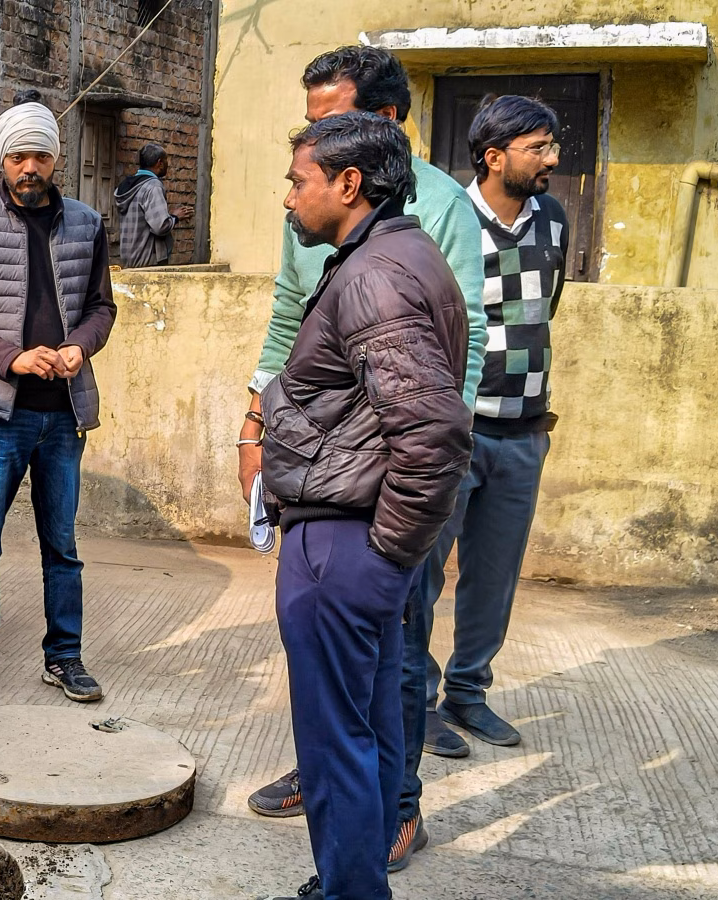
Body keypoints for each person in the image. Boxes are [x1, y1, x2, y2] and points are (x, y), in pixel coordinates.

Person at [241, 45, 487, 872]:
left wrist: (383, 554)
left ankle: (349, 887)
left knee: (336, 745)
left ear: (349, 185)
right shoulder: (388, 254)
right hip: (350, 534)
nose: (289, 195)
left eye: (299, 179)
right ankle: (358, 880)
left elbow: (433, 433)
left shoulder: (376, 276)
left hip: (346, 540)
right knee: (371, 728)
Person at [0, 91, 118, 710]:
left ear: (56, 159)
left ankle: (64, 657)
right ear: (2, 161)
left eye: (40, 155)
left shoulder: (88, 224)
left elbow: (101, 308)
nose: (29, 168)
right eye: (18, 158)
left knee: (61, 545)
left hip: (63, 411)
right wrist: (10, 357)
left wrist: (80, 348)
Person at [424, 95, 568, 750]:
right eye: (538, 147)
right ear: (493, 156)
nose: (552, 158)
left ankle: (468, 693)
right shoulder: (445, 220)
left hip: (523, 431)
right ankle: (414, 699)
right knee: (421, 573)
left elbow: (544, 313)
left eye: (552, 144)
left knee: (495, 576)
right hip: (456, 430)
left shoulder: (555, 221)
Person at [113, 143, 194, 268]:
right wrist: (176, 217)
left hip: (129, 259)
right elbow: (160, 226)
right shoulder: (153, 186)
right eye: (166, 160)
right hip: (148, 260)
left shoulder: (126, 186)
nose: (168, 164)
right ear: (159, 163)